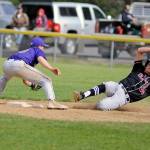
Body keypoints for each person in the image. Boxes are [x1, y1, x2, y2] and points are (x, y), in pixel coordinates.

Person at [0, 37, 68, 110]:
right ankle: (52, 102)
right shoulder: (37, 49)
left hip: (6, 64)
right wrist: (51, 69)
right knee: (46, 80)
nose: (43, 48)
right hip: (19, 64)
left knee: (4, 78)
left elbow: (25, 80)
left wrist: (32, 85)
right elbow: (41, 59)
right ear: (39, 46)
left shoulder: (26, 52)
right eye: (43, 46)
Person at [74, 47, 150, 111]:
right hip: (118, 86)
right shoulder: (138, 68)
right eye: (149, 64)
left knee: (102, 105)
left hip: (123, 97)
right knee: (106, 85)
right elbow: (140, 50)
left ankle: (103, 105)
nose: (149, 66)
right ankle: (83, 95)